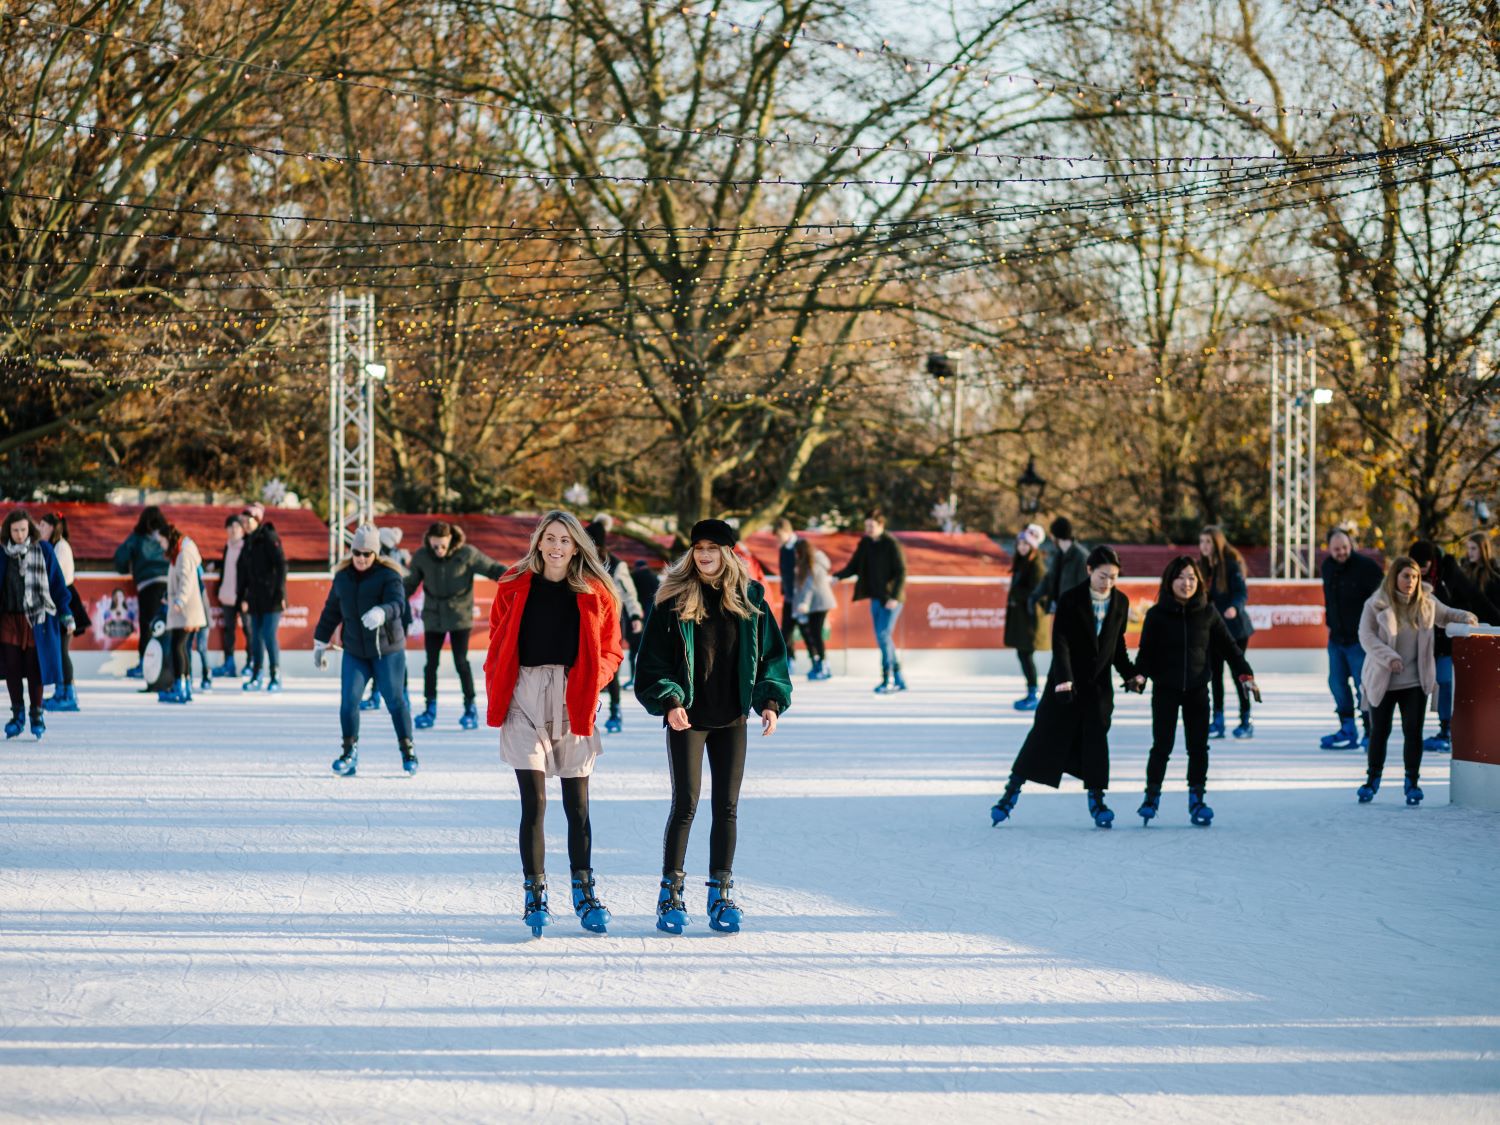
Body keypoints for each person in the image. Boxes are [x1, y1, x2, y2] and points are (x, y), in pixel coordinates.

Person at [634, 519, 792, 934]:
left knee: (727, 807)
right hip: (687, 718)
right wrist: (670, 701)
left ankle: (720, 894)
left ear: (728, 552)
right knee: (685, 804)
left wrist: (770, 701)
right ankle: (670, 895)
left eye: (713, 548)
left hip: (732, 718)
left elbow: (772, 657)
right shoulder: (672, 599)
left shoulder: (750, 598)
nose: (704, 555)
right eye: (699, 548)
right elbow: (651, 663)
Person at [482, 512, 623, 936]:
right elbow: (496, 641)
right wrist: (497, 683)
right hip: (523, 694)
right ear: (539, 542)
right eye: (550, 538)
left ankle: (584, 891)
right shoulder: (513, 584)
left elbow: (612, 650)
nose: (557, 546)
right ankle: (535, 894)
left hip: (572, 694)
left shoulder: (596, 591)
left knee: (577, 805)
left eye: (565, 539)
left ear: (576, 546)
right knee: (535, 802)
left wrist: (592, 681)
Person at [991, 546, 1135, 829]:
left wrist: (1130, 674)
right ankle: (1010, 794)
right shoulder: (1071, 599)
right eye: (1103, 576)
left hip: (1097, 688)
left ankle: (1097, 801)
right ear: (1089, 570)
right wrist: (1064, 679)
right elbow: (1061, 642)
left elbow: (1116, 645)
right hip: (1064, 683)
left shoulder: (1120, 602)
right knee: (1043, 737)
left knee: (1095, 742)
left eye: (1113, 577)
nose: (1107, 582)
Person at [1131, 556, 1260, 827]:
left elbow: (1230, 648)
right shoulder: (1156, 615)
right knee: (1161, 746)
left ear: (1199, 581)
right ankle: (1151, 797)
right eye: (1180, 577)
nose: (1186, 583)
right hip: (1165, 690)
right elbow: (1146, 654)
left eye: (1191, 578)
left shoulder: (1208, 613)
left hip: (1197, 691)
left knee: (1198, 748)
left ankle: (1197, 799)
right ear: (1170, 581)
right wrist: (1139, 676)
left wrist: (1246, 674)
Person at [1356, 556, 1476, 805]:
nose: (1411, 581)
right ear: (1394, 577)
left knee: (1413, 732)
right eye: (1406, 576)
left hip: (1415, 681)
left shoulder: (1427, 603)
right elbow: (1366, 636)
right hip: (1383, 679)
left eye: (1415, 577)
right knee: (1380, 731)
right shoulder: (1376, 603)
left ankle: (1412, 782)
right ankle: (1372, 780)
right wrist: (1389, 657)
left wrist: (1466, 617)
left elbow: (1446, 615)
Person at [315, 526, 418, 779]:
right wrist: (319, 642)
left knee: (395, 700)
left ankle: (408, 751)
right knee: (349, 702)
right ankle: (348, 753)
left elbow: (398, 604)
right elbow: (331, 611)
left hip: (387, 650)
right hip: (355, 651)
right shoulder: (342, 577)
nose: (361, 558)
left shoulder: (389, 575)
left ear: (376, 553)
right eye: (357, 553)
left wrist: (382, 611)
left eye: (367, 553)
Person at [403, 520, 506, 731]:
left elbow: (492, 568)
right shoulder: (422, 556)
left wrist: (515, 578)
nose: (439, 550)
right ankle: (429, 708)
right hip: (433, 616)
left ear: (451, 540)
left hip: (459, 615)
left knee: (461, 662)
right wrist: (393, 599)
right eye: (435, 546)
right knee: (431, 663)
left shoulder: (467, 554)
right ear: (429, 541)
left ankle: (470, 708)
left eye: (443, 545)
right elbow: (410, 584)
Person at [1407, 539, 1500, 753]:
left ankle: (1447, 729)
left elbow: (1475, 597)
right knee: (1421, 686)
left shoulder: (1449, 572)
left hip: (1449, 638)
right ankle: (1420, 730)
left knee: (1445, 682)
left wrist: (1496, 622)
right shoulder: (1410, 576)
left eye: (1424, 565)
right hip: (1424, 640)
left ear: (1432, 561)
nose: (1421, 569)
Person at [1, 510, 73, 740]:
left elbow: (58, 585)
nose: (19, 535)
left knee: (35, 668)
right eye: (15, 530)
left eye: (23, 529)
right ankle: (17, 715)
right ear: (8, 531)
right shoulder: (2, 552)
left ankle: (36, 714)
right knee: (12, 667)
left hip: (37, 618)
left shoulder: (43, 550)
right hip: (9, 618)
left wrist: (66, 613)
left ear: (29, 529)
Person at [1318, 526, 1385, 750]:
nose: (1341, 552)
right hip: (1336, 638)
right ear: (1329, 549)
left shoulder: (1366, 567)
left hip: (1361, 640)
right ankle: (1347, 728)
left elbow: (1383, 601)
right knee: (1336, 683)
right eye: (1336, 549)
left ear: (1351, 545)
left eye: (1345, 547)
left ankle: (1370, 731)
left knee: (1363, 686)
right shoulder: (1327, 567)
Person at [833, 509, 908, 693]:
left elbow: (901, 571)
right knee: (883, 638)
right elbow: (854, 565)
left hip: (892, 599)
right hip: (876, 598)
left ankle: (888, 678)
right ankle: (898, 678)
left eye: (871, 526)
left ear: (881, 525)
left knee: (883, 635)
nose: (868, 529)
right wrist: (838, 576)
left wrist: (894, 597)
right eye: (866, 526)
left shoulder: (891, 544)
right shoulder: (866, 543)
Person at [586, 518, 644, 734]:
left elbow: (629, 593)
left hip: (611, 622)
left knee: (610, 668)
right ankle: (586, 709)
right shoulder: (579, 562)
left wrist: (635, 614)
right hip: (586, 623)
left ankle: (614, 711)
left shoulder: (617, 565)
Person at [1198, 525, 1256, 740]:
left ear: (1217, 543)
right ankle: (1218, 719)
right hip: (1213, 630)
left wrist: (1234, 608)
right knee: (1215, 675)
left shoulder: (1231, 565)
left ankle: (1246, 719)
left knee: (1238, 674)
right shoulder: (1202, 567)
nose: (1204, 546)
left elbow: (1241, 593)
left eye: (1208, 542)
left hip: (1235, 630)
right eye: (1202, 542)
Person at [37, 513, 89, 713]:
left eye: (43, 525)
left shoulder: (61, 547)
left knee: (62, 650)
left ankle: (68, 694)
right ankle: (61, 691)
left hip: (65, 602)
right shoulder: (54, 546)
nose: (40, 529)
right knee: (58, 650)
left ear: (52, 527)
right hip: (59, 602)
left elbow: (57, 578)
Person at [112, 505, 169, 677]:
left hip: (148, 585)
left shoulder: (137, 538)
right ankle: (166, 664)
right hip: (169, 583)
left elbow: (120, 558)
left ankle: (145, 664)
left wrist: (127, 568)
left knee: (148, 626)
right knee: (165, 625)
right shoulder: (166, 536)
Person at [155, 522, 207, 705]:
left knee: (178, 646)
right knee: (181, 647)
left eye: (161, 541)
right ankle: (183, 685)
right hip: (183, 609)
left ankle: (180, 686)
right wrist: (168, 597)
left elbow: (187, 580)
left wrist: (179, 601)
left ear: (168, 539)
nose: (161, 545)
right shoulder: (177, 554)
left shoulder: (183, 554)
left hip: (186, 610)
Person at [237, 505, 288, 692]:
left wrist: (280, 592)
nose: (244, 524)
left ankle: (275, 675)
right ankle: (257, 674)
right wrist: (242, 596)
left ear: (257, 520)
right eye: (242, 521)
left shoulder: (268, 537)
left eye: (247, 520)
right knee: (255, 637)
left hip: (272, 597)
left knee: (268, 635)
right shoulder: (247, 542)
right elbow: (243, 573)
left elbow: (281, 564)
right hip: (255, 598)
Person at [1005, 523, 1047, 710]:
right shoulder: (1021, 563)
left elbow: (1036, 591)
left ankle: (1034, 693)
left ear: (1032, 546)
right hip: (1023, 618)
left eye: (1026, 544)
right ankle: (1032, 691)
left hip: (1031, 619)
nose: (1022, 547)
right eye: (1020, 544)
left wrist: (1015, 593)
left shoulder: (1036, 565)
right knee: (1023, 654)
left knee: (1025, 655)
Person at [792, 537, 836, 681]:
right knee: (812, 633)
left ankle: (824, 665)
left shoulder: (815, 562)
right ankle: (819, 663)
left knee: (816, 633)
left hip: (820, 603)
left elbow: (810, 585)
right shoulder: (807, 563)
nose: (796, 555)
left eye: (798, 552)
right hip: (814, 604)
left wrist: (804, 603)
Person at [1029, 516, 1088, 615]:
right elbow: (1049, 578)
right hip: (1059, 610)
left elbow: (1085, 590)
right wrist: (1035, 595)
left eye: (1052, 535)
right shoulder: (1059, 554)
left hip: (1073, 614)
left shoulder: (1081, 557)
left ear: (1056, 536)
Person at [214, 515, 247, 678]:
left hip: (242, 597)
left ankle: (251, 662)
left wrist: (246, 596)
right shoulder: (228, 546)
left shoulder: (247, 547)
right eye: (230, 527)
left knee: (249, 630)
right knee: (228, 631)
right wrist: (215, 565)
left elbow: (249, 573)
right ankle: (229, 663)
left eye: (236, 527)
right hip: (227, 595)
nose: (233, 530)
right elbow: (228, 565)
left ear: (242, 530)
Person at [626, 558, 661, 687]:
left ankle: (632, 678)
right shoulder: (654, 577)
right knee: (649, 653)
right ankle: (649, 680)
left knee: (633, 652)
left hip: (635, 620)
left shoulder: (633, 577)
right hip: (651, 621)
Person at [774, 517, 801, 667]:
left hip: (802, 597)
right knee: (786, 630)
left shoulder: (800, 546)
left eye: (779, 535)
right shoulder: (783, 549)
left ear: (786, 531)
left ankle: (819, 661)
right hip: (789, 597)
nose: (778, 539)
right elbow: (784, 572)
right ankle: (789, 659)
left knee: (807, 631)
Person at [1461, 532, 1500, 598]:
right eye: (1468, 548)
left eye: (1473, 548)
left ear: (1483, 549)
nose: (1470, 552)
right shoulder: (1465, 570)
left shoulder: (1494, 575)